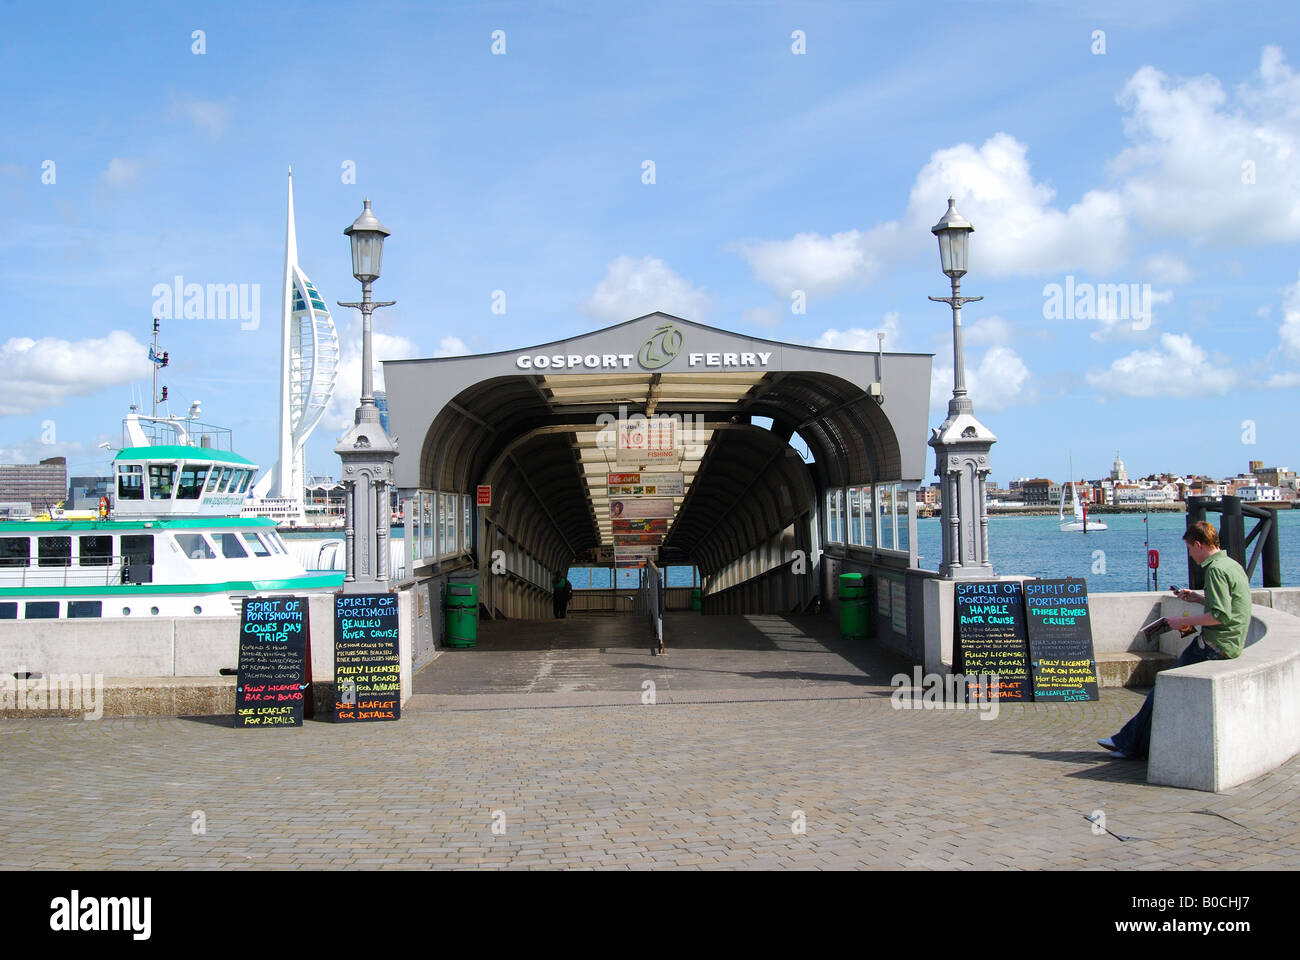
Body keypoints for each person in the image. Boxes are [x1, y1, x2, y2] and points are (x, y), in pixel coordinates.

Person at [1100, 520, 1251, 760]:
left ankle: (1128, 744)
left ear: (1199, 545)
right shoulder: (1231, 564)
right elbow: (1228, 605)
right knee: (1163, 690)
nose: (1190, 555)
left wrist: (1182, 622)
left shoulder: (1215, 569)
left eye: (1190, 549)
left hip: (1215, 645)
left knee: (1161, 690)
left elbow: (1220, 616)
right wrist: (1197, 599)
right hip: (1230, 642)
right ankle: (1129, 742)